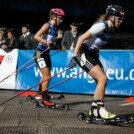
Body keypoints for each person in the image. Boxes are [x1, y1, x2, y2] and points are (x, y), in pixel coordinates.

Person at [68, 5, 125, 119]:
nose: (121, 21)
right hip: (84, 54)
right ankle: (101, 110)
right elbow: (81, 38)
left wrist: (96, 60)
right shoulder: (101, 26)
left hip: (93, 55)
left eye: (122, 19)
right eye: (118, 18)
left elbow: (96, 46)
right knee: (102, 79)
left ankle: (94, 109)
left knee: (102, 81)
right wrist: (75, 56)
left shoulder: (110, 29)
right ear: (110, 17)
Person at [34, 8, 65, 106]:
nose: (61, 20)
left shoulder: (55, 29)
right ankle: (44, 99)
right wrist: (47, 42)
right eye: (60, 18)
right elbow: (36, 36)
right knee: (47, 76)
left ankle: (40, 92)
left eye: (62, 19)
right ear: (53, 17)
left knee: (46, 75)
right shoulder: (47, 25)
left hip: (46, 53)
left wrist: (59, 47)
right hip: (40, 53)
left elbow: (52, 43)